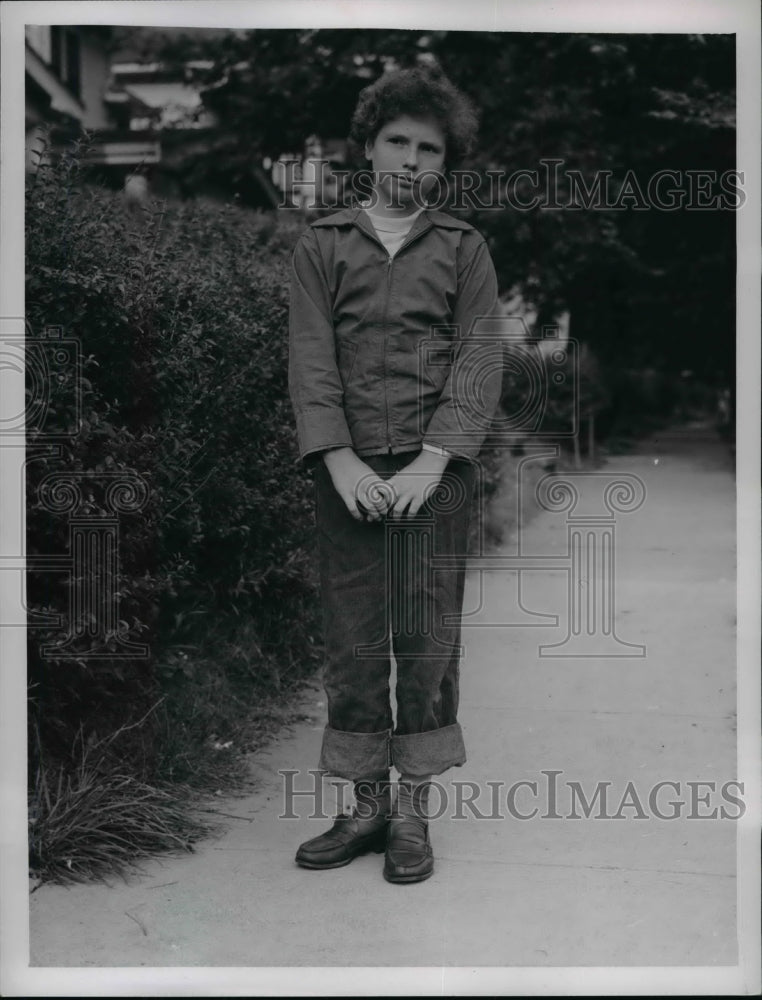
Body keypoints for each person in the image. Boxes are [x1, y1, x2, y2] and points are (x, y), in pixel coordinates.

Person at [287, 65, 502, 884]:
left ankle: (412, 809)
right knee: (350, 641)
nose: (410, 159)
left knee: (425, 642)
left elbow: (479, 362)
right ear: (369, 148)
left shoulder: (463, 247)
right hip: (344, 476)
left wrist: (434, 461)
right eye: (397, 142)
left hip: (435, 479)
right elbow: (310, 360)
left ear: (445, 162)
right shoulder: (323, 244)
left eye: (428, 148)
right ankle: (363, 804)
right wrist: (338, 458)